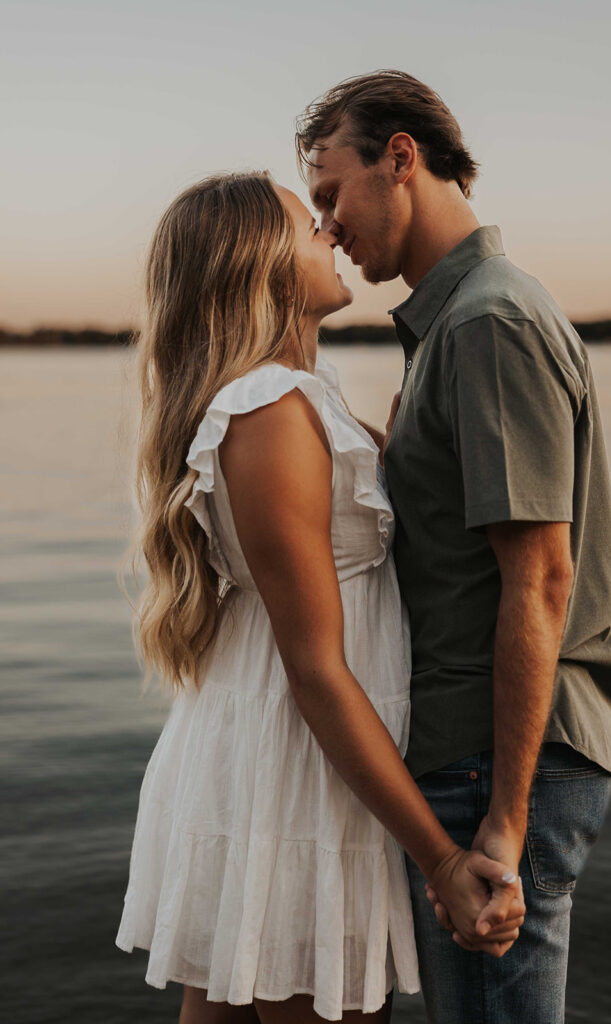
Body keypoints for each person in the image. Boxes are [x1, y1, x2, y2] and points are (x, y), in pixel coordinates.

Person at [115, 171, 526, 1024]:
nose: (332, 235)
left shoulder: (300, 397)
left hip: (282, 749)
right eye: (310, 227)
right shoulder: (268, 412)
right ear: (259, 264)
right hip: (304, 763)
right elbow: (316, 669)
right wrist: (440, 859)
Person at [296, 70, 611, 1024]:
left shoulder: (485, 323)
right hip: (476, 757)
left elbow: (540, 579)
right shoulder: (455, 325)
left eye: (331, 193)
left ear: (400, 158)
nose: (326, 228)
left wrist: (504, 825)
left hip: (493, 765)